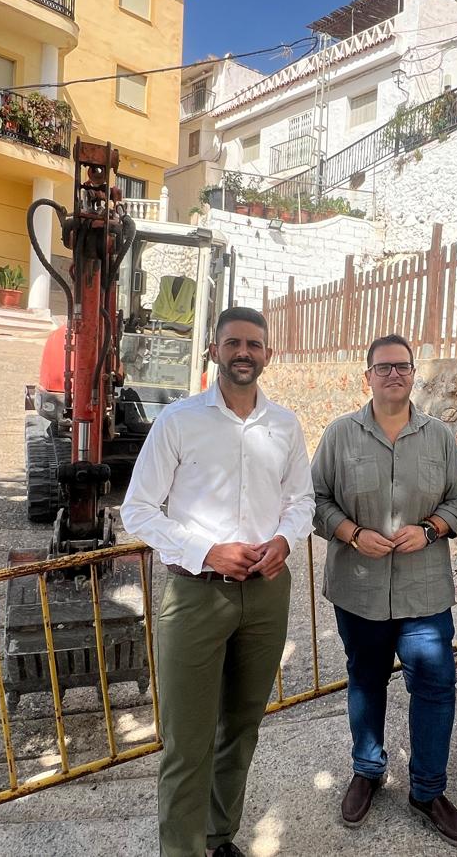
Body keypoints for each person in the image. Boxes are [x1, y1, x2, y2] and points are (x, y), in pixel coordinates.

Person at [121, 306, 314, 857]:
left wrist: (283, 541)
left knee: (242, 726)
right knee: (187, 740)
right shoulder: (179, 421)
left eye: (254, 344)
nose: (244, 353)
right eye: (233, 343)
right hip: (196, 595)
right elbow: (138, 510)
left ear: (268, 355)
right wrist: (206, 551)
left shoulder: (285, 425)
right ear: (213, 351)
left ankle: (219, 834)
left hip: (266, 594)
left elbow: (300, 500)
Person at [310, 334, 457, 847]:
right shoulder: (339, 435)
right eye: (383, 368)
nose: (393, 375)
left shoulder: (440, 437)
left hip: (423, 592)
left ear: (413, 373)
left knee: (434, 687)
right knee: (366, 679)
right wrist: (353, 534)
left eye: (402, 366)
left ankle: (427, 789)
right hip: (358, 588)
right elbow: (315, 501)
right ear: (368, 377)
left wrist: (428, 530)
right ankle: (368, 770)